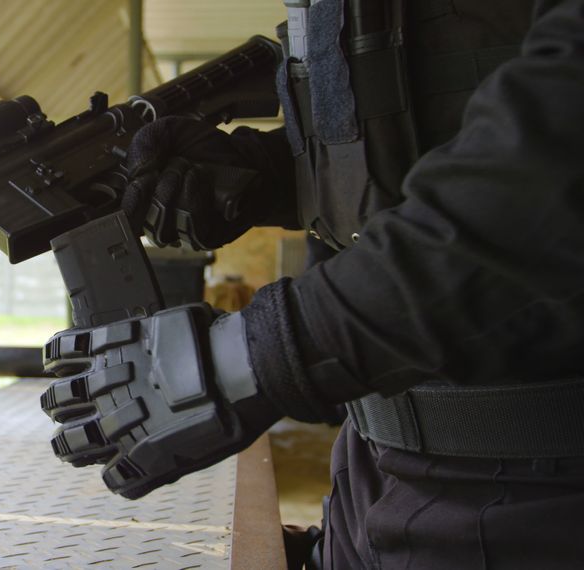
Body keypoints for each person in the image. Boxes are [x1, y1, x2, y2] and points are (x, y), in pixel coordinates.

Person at [40, 1, 584, 568]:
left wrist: (271, 349)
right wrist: (263, 176)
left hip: (536, 485)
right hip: (378, 462)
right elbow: (408, 140)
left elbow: (555, 164)